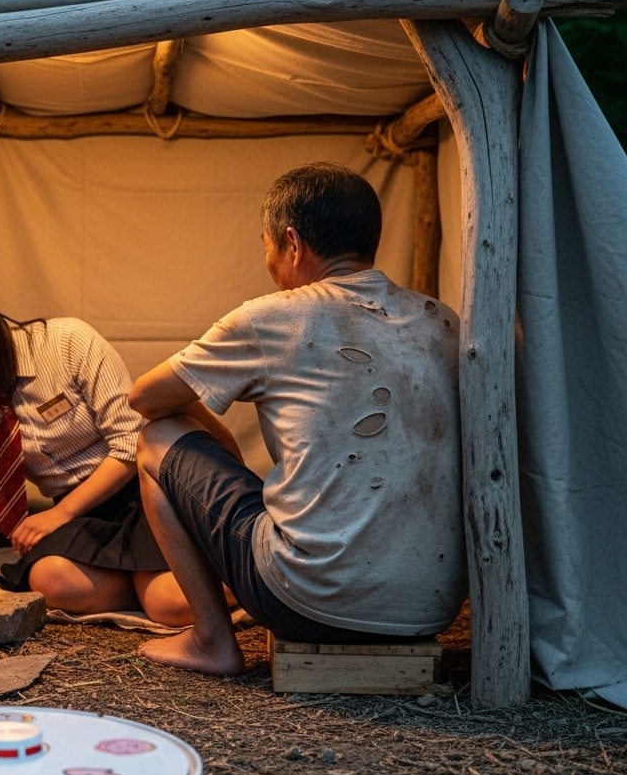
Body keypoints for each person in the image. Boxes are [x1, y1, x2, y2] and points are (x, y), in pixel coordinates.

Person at [128, 162, 467, 675]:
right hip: (429, 609)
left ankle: (211, 639)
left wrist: (216, 429)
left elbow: (146, 398)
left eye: (266, 246)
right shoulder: (443, 321)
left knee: (156, 437)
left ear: (291, 243)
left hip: (306, 601)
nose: (269, 262)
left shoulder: (272, 317)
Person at [0, 270, 190, 624]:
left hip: (145, 492)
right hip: (84, 516)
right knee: (48, 580)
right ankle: (143, 585)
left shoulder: (67, 343)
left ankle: (201, 583)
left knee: (167, 605)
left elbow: (129, 443)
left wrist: (59, 515)